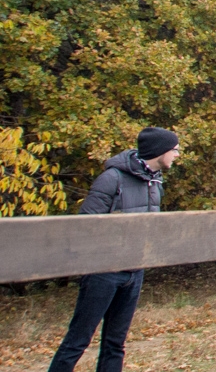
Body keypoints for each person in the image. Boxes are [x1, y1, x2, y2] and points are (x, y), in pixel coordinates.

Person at [48, 128, 181, 372]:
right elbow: (85, 225)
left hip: (134, 271)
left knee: (115, 344)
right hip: (103, 272)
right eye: (174, 149)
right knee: (78, 341)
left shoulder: (155, 180)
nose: (177, 154)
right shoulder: (112, 178)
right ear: (160, 151)